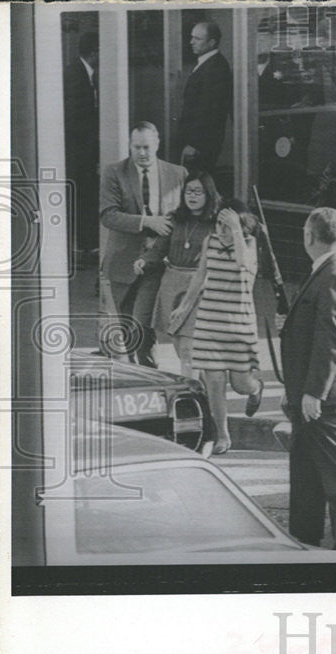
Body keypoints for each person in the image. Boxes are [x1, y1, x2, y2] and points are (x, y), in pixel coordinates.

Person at [279, 207, 336, 550]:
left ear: (309, 236)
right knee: (305, 472)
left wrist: (313, 392)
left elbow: (332, 338)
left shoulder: (335, 273)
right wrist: (296, 392)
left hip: (326, 396)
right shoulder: (329, 269)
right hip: (308, 393)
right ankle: (305, 537)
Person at [169, 199, 264, 454]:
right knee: (214, 380)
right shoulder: (209, 242)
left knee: (241, 384)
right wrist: (185, 307)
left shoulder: (250, 245)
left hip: (238, 324)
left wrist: (235, 230)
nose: (221, 229)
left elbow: (244, 264)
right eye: (219, 223)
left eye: (228, 224)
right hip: (210, 321)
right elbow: (200, 276)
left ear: (242, 226)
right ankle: (223, 436)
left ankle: (256, 389)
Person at [99, 121, 187, 367]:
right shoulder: (114, 172)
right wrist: (148, 221)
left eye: (147, 147)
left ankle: (150, 373)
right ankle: (142, 374)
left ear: (157, 144)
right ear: (130, 145)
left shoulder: (177, 174)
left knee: (142, 323)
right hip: (123, 261)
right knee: (127, 327)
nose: (142, 153)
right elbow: (108, 215)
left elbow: (185, 215)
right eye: (136, 147)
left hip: (157, 262)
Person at [134, 170, 221, 376]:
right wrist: (143, 261)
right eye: (189, 191)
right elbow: (158, 249)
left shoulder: (216, 223)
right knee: (178, 342)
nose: (192, 196)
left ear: (209, 194)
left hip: (199, 286)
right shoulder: (175, 219)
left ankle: (194, 391)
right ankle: (200, 382)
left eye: (198, 192)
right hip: (172, 283)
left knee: (187, 347)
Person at [63, 32, 99, 268]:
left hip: (83, 152)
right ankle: (76, 251)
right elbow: (76, 119)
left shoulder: (83, 73)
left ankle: (86, 247)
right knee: (78, 197)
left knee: (85, 196)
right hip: (77, 152)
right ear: (96, 52)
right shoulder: (75, 75)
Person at [176, 21, 232, 170]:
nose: (191, 42)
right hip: (194, 142)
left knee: (197, 185)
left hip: (200, 145)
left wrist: (195, 144)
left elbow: (210, 112)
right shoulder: (206, 63)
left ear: (212, 42)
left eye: (197, 39)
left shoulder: (216, 68)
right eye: (191, 37)